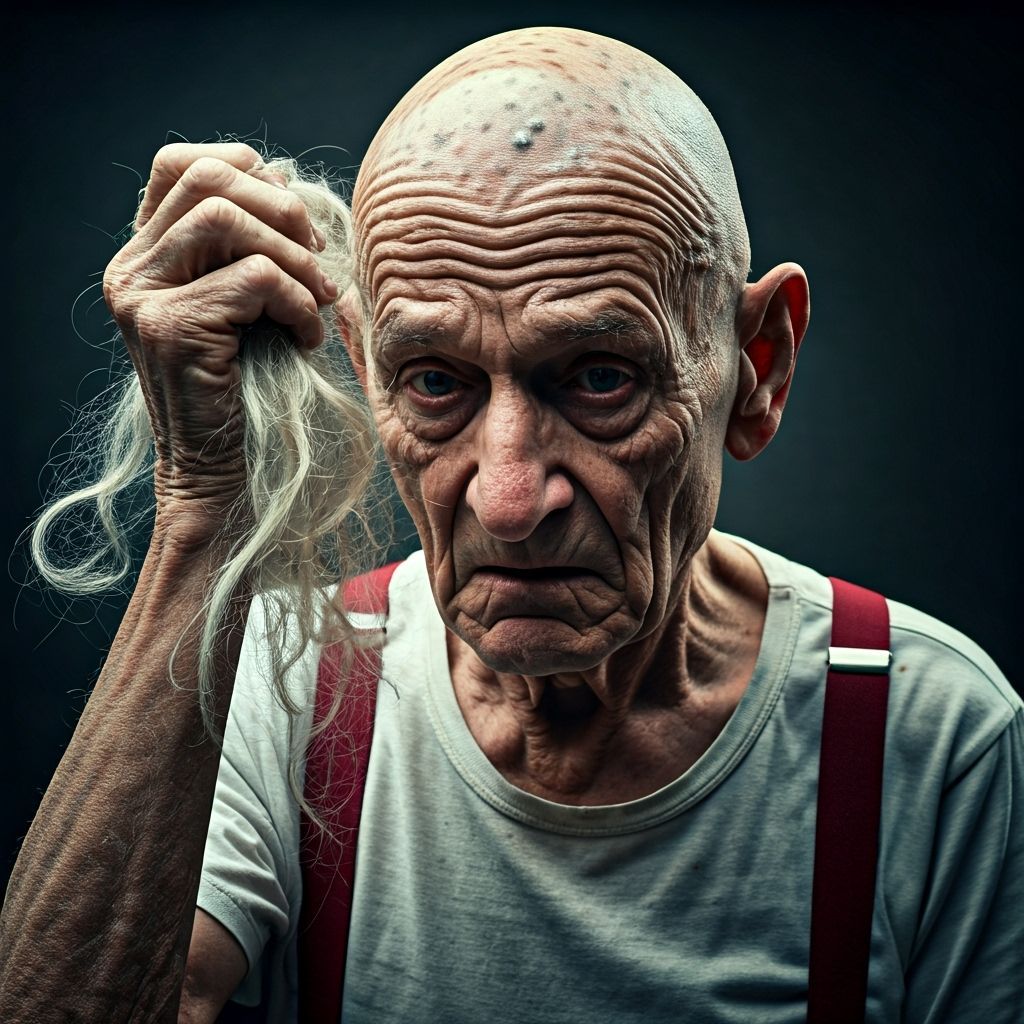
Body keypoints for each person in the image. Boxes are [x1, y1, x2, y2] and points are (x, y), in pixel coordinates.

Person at [2, 25, 1021, 1024]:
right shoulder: (288, 677)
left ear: (757, 369)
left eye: (599, 377)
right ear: (363, 367)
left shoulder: (931, 739)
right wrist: (202, 513)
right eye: (435, 381)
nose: (507, 497)